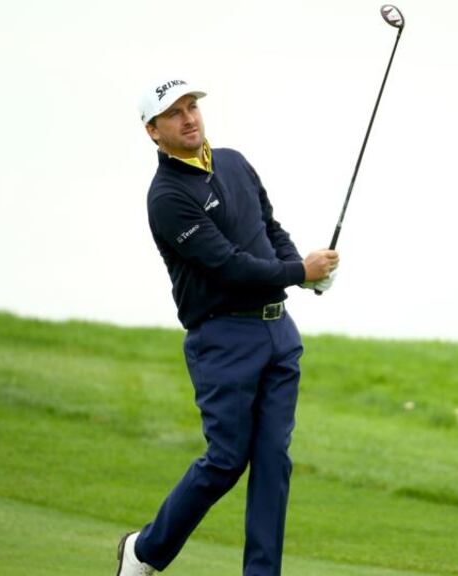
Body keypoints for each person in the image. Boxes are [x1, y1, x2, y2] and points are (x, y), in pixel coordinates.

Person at [117, 77, 339, 576]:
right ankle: (145, 551)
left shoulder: (235, 162)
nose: (189, 117)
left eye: (191, 106)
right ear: (153, 131)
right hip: (223, 340)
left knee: (273, 461)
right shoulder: (167, 197)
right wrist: (297, 271)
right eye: (174, 113)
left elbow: (269, 229)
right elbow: (229, 266)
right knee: (225, 460)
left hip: (279, 334)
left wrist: (302, 277)